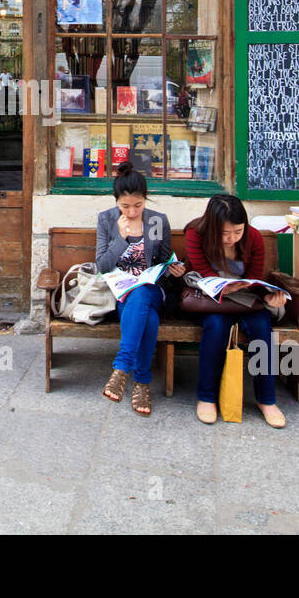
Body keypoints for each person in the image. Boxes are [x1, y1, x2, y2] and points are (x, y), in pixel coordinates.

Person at [183, 193, 287, 428]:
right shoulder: (195, 234)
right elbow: (204, 274)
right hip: (212, 300)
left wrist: (270, 297)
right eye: (224, 233)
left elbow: (255, 278)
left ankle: (267, 400)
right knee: (217, 326)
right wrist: (224, 287)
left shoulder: (254, 239)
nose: (231, 239)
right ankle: (207, 397)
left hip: (245, 298)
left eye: (237, 232)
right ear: (212, 227)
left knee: (262, 326)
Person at [97, 162, 186, 416]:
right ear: (116, 202)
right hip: (122, 291)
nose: (133, 211)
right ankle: (142, 384)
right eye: (125, 206)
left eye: (138, 205)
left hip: (152, 289)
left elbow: (163, 261)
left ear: (145, 200)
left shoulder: (157, 221)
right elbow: (102, 265)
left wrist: (173, 269)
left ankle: (122, 368)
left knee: (144, 292)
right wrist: (121, 239)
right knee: (148, 316)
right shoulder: (106, 220)